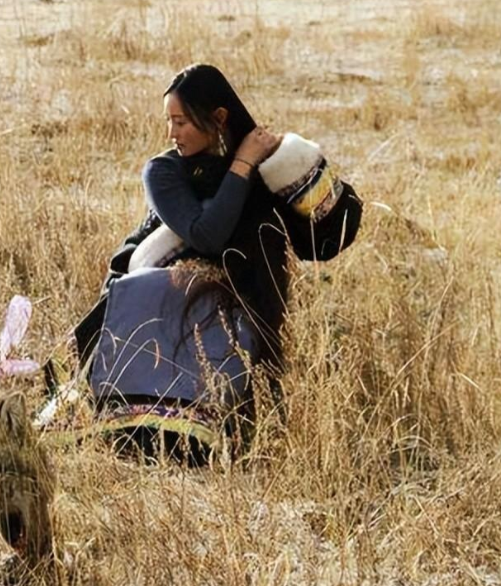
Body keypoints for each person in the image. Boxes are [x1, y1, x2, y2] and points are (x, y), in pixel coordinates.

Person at [65, 63, 362, 463]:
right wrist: (242, 165)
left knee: (243, 444)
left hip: (244, 310)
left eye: (182, 122)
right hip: (155, 313)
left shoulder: (260, 173)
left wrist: (293, 165)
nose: (172, 134)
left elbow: (320, 244)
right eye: (169, 122)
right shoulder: (164, 171)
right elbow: (207, 233)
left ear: (219, 118)